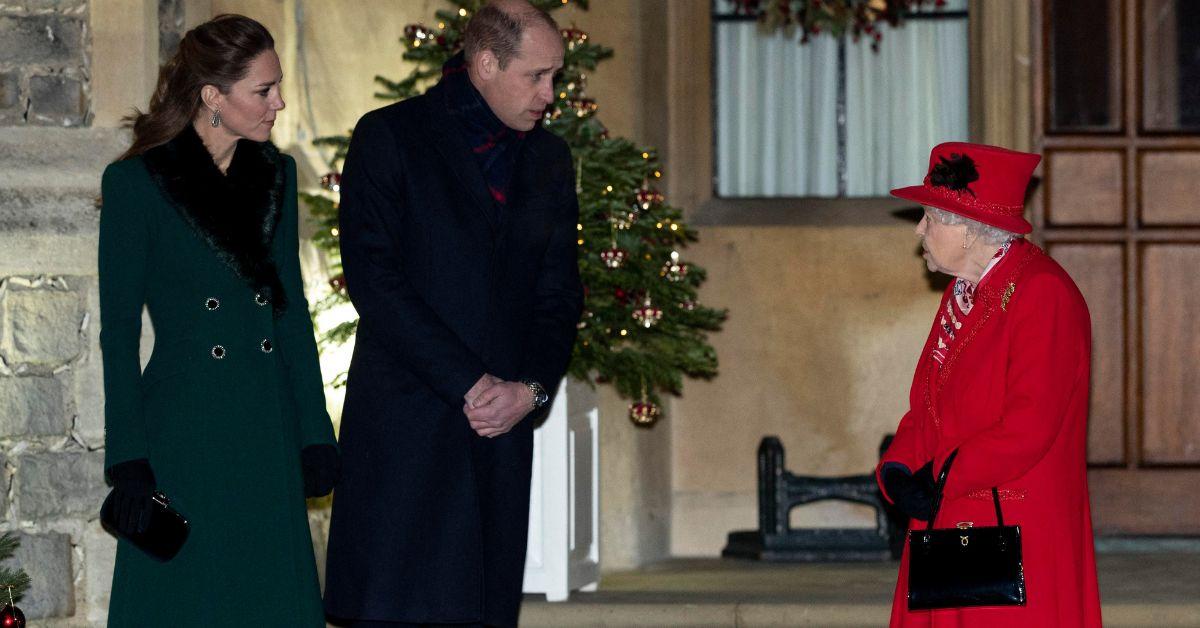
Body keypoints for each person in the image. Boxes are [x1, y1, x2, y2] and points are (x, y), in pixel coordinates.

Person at [321, 1, 582, 626]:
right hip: (407, 426)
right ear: (486, 63)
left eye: (557, 77)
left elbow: (559, 297)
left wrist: (531, 390)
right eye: (537, 76)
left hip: (498, 437)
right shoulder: (390, 136)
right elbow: (374, 279)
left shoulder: (548, 160)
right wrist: (470, 382)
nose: (550, 94)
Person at [98, 15, 338, 626]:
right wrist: (127, 453)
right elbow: (118, 331)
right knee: (185, 599)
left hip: (266, 420)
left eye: (278, 85)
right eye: (264, 90)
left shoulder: (276, 177)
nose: (279, 103)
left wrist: (314, 431)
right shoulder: (136, 184)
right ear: (212, 96)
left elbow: (290, 316)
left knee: (268, 599)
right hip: (185, 429)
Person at [877, 142, 1103, 627]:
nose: (919, 229)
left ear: (971, 228)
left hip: (1014, 527)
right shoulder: (966, 290)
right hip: (953, 513)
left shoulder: (1043, 294)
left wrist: (938, 477)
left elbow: (1029, 425)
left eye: (931, 217)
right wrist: (899, 466)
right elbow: (927, 406)